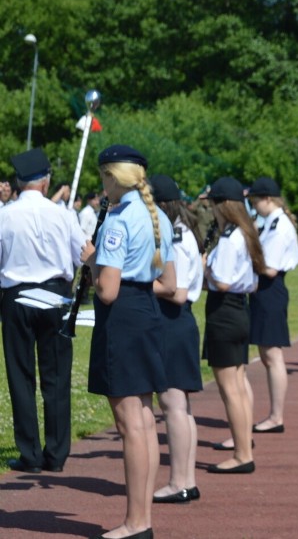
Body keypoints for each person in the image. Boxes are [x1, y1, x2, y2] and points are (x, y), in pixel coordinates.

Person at [84, 144, 176, 539]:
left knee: (131, 425)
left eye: (104, 175)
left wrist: (90, 260)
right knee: (143, 419)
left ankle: (137, 522)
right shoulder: (157, 216)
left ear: (112, 176)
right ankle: (143, 518)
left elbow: (106, 290)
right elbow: (168, 284)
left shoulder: (119, 220)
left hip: (122, 317)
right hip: (145, 314)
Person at [0, 148, 88, 474]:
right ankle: (56, 451)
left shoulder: (5, 215)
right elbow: (83, 256)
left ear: (19, 183)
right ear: (46, 181)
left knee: (21, 376)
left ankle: (29, 452)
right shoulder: (63, 214)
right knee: (56, 375)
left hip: (17, 295)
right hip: (54, 293)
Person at [148, 174, 204, 504]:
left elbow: (177, 292)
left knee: (173, 406)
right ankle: (186, 479)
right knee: (181, 406)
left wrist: (135, 282)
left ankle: (180, 481)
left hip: (173, 321)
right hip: (176, 323)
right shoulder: (179, 232)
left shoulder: (177, 237)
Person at [203, 176, 265, 474]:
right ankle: (244, 447)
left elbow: (223, 282)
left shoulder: (229, 239)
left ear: (222, 206)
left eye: (213, 205)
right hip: (240, 309)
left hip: (225, 312)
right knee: (238, 385)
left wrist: (205, 269)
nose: (211, 211)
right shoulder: (246, 233)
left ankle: (242, 454)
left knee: (230, 389)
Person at [247, 177, 298, 434]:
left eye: (255, 201)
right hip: (265, 291)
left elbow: (269, 268)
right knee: (269, 356)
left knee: (272, 355)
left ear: (267, 198)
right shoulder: (270, 222)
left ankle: (276, 416)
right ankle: (274, 415)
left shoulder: (279, 225)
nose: (254, 206)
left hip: (270, 289)